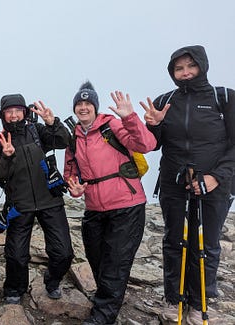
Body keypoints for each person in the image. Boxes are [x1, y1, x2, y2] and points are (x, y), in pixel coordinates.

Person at [140, 45, 234, 324]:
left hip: (214, 184)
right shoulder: (165, 100)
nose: (185, 73)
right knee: (174, 241)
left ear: (202, 67)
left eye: (190, 67)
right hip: (173, 182)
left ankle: (199, 302)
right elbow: (152, 145)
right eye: (179, 69)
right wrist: (154, 125)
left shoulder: (224, 98)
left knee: (205, 244)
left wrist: (216, 177)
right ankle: (173, 300)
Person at [63, 82, 156, 325]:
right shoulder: (73, 137)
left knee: (116, 261)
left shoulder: (112, 125)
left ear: (95, 106)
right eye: (79, 104)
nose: (83, 108)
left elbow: (146, 144)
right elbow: (71, 174)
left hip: (127, 204)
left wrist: (130, 117)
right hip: (93, 207)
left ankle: (102, 316)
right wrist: (74, 188)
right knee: (97, 258)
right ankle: (109, 297)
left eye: (87, 103)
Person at [0, 94, 74, 305]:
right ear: (3, 115)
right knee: (16, 255)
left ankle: (52, 280)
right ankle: (15, 288)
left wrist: (52, 123)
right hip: (19, 204)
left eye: (18, 110)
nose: (14, 115)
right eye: (10, 111)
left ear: (25, 112)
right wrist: (7, 156)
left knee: (63, 252)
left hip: (50, 199)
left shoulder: (37, 131)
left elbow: (63, 141)